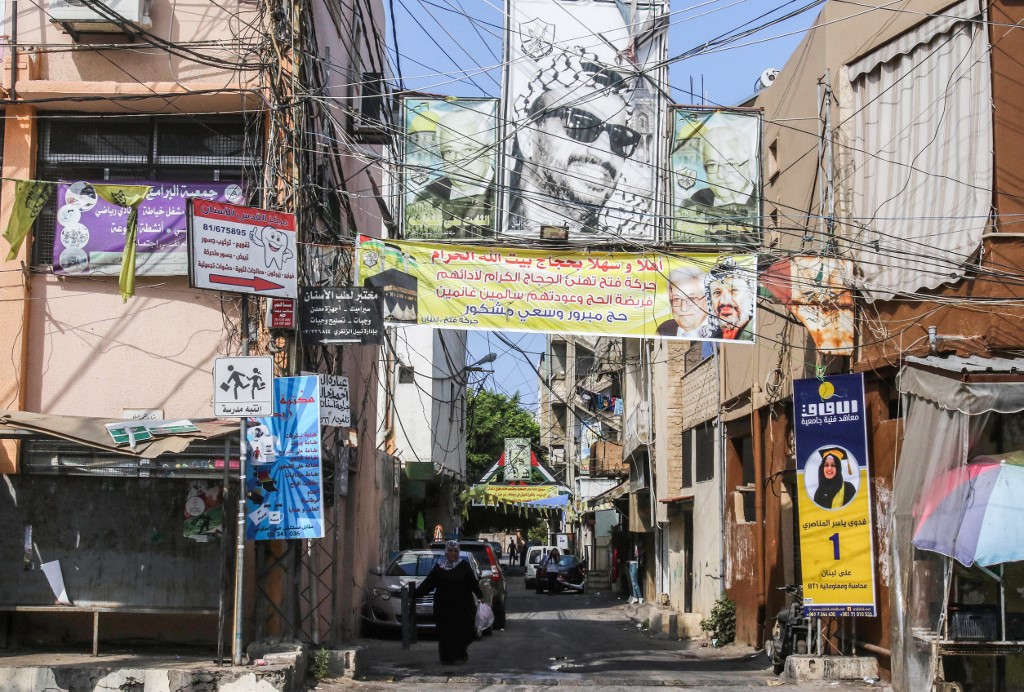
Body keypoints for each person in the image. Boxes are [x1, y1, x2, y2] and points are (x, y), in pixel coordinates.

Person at [509, 49, 642, 236]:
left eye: (619, 138)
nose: (604, 154)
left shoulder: (630, 244)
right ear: (527, 136)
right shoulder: (472, 220)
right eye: (581, 124)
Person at [408, 108, 495, 239]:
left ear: (488, 150)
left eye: (468, 149)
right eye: (449, 151)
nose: (458, 160)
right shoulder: (428, 195)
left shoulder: (510, 195)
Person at [675, 122, 758, 244]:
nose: (720, 175)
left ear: (749, 165)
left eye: (730, 164)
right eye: (712, 165)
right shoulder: (695, 202)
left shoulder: (762, 203)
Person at [413, 540, 483, 665]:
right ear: (446, 552)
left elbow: (473, 583)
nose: (453, 553)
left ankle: (461, 653)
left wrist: (480, 595)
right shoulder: (440, 567)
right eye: (450, 551)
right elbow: (428, 584)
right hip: (444, 608)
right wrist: (414, 594)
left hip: (462, 608)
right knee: (445, 633)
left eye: (455, 551)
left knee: (463, 632)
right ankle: (446, 657)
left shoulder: (464, 566)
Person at [706, 259, 755, 341]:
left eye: (733, 291)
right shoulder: (714, 335)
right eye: (717, 292)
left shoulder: (754, 333)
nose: (724, 301)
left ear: (749, 296)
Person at [657, 266, 709, 338]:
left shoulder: (723, 332)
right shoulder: (664, 329)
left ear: (707, 299)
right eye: (676, 299)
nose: (683, 308)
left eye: (691, 298)